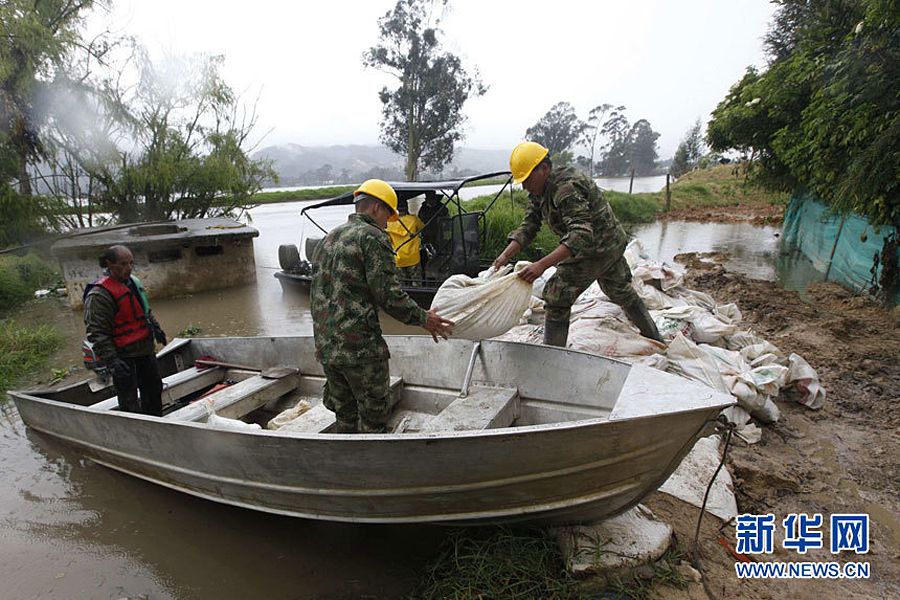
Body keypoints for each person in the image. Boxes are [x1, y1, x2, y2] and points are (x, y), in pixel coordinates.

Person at [310, 179, 454, 433]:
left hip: (326, 346)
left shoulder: (328, 239)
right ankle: (372, 466)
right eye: (389, 214)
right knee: (373, 418)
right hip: (359, 350)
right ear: (376, 208)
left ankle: (346, 461)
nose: (389, 222)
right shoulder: (372, 237)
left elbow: (317, 293)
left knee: (345, 415)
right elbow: (389, 296)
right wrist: (424, 319)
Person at [493, 141, 662, 346]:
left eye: (527, 178)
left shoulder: (565, 188)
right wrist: (505, 256)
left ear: (544, 169)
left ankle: (552, 357)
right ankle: (656, 339)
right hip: (607, 242)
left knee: (557, 295)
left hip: (598, 246)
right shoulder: (540, 191)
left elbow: (581, 233)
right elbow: (529, 225)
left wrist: (541, 266)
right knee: (619, 289)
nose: (524, 185)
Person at [83, 245, 168, 416]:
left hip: (145, 349)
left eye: (131, 263)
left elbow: (144, 311)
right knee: (128, 399)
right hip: (123, 356)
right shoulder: (99, 294)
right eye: (122, 264)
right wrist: (112, 360)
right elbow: (96, 332)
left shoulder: (133, 283)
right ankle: (134, 431)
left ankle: (156, 423)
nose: (128, 268)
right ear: (109, 264)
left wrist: (157, 329)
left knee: (153, 389)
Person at [386, 203, 425, 282]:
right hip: (413, 258)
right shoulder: (414, 219)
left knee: (401, 285)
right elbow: (422, 228)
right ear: (407, 208)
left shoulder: (389, 222)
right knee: (417, 284)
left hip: (398, 259)